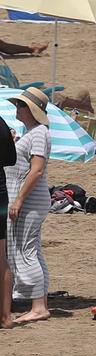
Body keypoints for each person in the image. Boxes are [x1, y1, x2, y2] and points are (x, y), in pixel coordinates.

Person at [5, 88, 52, 324]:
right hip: (29, 198)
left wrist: (20, 199)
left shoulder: (38, 134)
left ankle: (38, 307)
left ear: (31, 110)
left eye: (21, 105)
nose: (17, 108)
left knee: (24, 251)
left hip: (30, 199)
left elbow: (37, 169)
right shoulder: (32, 132)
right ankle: (39, 303)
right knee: (30, 249)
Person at [0, 106, 14, 328]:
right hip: (0, 193)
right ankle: (6, 317)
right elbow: (10, 159)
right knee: (1, 258)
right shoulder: (1, 123)